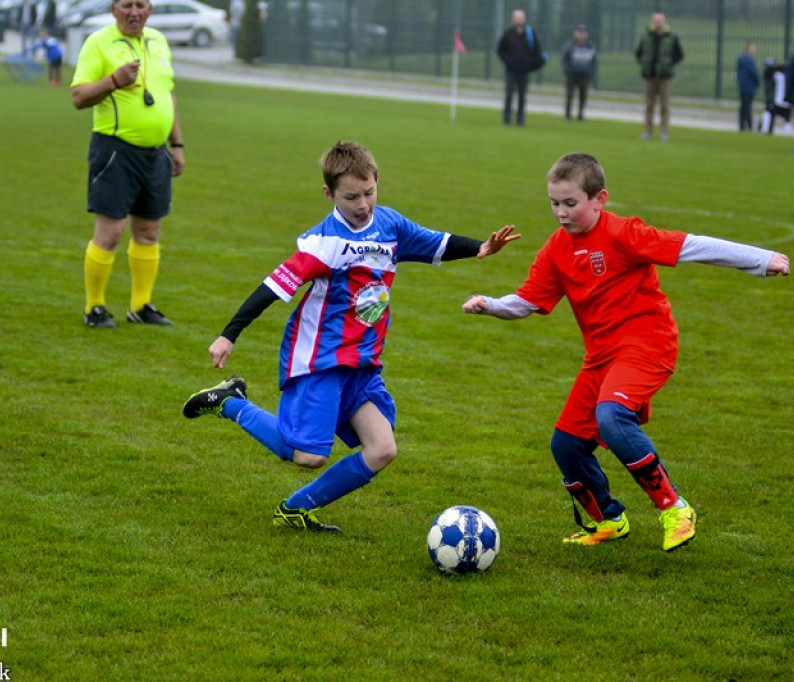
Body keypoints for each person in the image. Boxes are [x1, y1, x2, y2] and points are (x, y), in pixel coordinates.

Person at [182, 141, 519, 533]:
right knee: (307, 455)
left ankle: (295, 509)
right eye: (351, 197)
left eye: (369, 192)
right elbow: (274, 287)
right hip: (321, 359)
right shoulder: (322, 243)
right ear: (329, 195)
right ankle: (231, 403)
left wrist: (481, 247)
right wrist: (229, 335)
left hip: (362, 362)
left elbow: (436, 242)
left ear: (378, 180)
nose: (363, 204)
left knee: (382, 449)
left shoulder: (390, 225)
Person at [462, 152, 790, 552]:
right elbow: (528, 302)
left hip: (647, 343)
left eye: (571, 203)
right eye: (554, 203)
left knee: (612, 417)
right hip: (601, 356)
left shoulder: (623, 234)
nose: (561, 213)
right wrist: (490, 304)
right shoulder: (556, 249)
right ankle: (608, 520)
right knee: (565, 445)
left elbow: (691, 246)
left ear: (600, 199)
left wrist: (760, 260)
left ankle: (675, 508)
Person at [70, 0, 186, 329]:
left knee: (149, 231)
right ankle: (94, 307)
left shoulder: (158, 41)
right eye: (126, 5)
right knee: (111, 231)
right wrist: (113, 81)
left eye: (141, 5)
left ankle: (140, 306)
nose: (134, 12)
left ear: (149, 9)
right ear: (113, 9)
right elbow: (79, 97)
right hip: (115, 149)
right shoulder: (98, 42)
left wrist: (176, 144)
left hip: (156, 151)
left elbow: (169, 94)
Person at [635, 12, 683, 141]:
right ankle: (647, 131)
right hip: (649, 76)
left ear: (664, 22)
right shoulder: (646, 36)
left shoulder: (672, 36)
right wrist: (645, 65)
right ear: (652, 22)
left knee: (664, 105)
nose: (658, 23)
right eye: (656, 21)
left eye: (660, 21)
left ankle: (664, 132)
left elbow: (679, 55)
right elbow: (638, 53)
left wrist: (668, 64)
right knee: (649, 105)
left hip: (665, 77)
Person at [496, 9, 545, 126]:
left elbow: (537, 52)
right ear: (513, 19)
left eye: (521, 18)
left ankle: (520, 119)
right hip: (511, 70)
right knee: (509, 94)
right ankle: (507, 118)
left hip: (524, 71)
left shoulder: (530, 34)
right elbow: (500, 51)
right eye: (517, 18)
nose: (519, 20)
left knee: (522, 96)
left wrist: (530, 64)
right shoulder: (508, 34)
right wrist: (508, 62)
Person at [561, 24, 597, 121]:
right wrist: (567, 70)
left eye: (583, 33)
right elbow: (565, 59)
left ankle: (580, 114)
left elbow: (594, 61)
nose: (581, 35)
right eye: (579, 33)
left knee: (583, 96)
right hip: (572, 74)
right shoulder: (570, 45)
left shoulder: (590, 46)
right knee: (570, 95)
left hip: (584, 74)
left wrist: (591, 72)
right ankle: (568, 115)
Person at [760, 58, 793, 135]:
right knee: (768, 113)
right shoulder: (770, 74)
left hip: (782, 101)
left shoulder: (784, 74)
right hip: (778, 101)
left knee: (786, 118)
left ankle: (786, 134)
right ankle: (765, 130)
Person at [736, 41, 759, 131]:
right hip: (749, 86)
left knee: (743, 106)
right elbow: (754, 74)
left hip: (742, 86)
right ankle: (748, 125)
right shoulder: (749, 60)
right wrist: (758, 83)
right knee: (747, 106)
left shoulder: (741, 59)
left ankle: (742, 125)